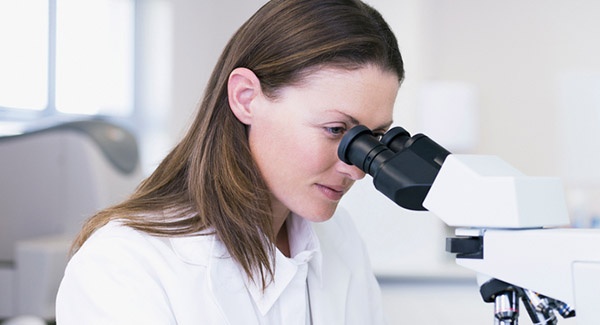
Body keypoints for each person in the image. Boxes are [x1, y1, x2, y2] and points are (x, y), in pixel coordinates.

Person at [55, 0, 403, 324]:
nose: (356, 168)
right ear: (245, 98)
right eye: (334, 129)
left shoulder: (339, 239)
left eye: (373, 139)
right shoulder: (127, 265)